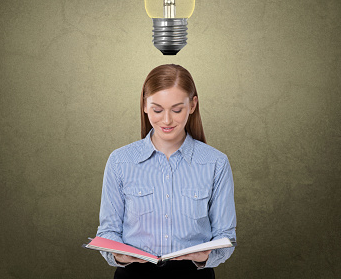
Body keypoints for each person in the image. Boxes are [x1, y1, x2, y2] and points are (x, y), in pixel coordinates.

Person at [96, 64, 237, 279]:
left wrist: (205, 256)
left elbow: (226, 236)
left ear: (192, 105)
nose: (167, 120)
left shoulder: (216, 162)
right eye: (158, 110)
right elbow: (108, 232)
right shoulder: (120, 161)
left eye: (177, 109)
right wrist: (120, 256)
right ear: (144, 105)